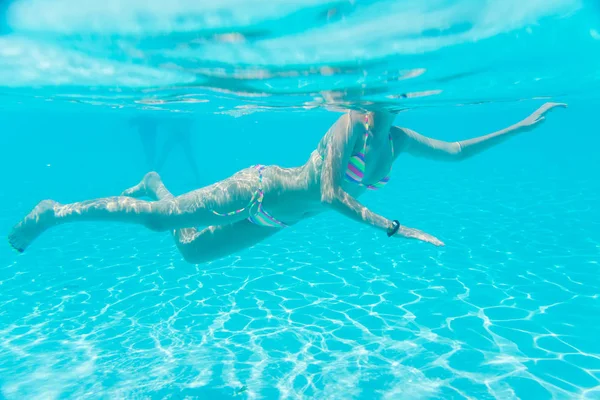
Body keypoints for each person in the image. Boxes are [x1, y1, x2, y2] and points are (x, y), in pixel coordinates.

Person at [8, 103, 566, 263]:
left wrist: (522, 125)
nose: (382, 108)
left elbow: (460, 152)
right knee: (161, 225)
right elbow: (327, 193)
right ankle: (58, 211)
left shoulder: (398, 140)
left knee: (192, 256)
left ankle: (155, 180)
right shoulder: (349, 122)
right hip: (260, 189)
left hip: (279, 220)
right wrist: (397, 228)